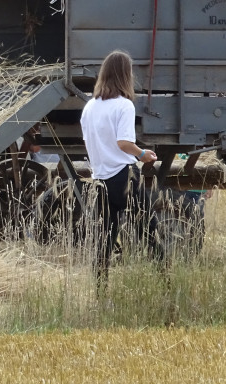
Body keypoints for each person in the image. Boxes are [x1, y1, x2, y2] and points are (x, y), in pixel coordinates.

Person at [79, 50, 160, 280]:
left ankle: (101, 292)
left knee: (104, 240)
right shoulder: (124, 105)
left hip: (100, 179)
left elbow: (89, 143)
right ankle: (166, 282)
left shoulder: (89, 107)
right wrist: (143, 154)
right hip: (124, 177)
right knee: (150, 232)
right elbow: (124, 143)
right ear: (125, 75)